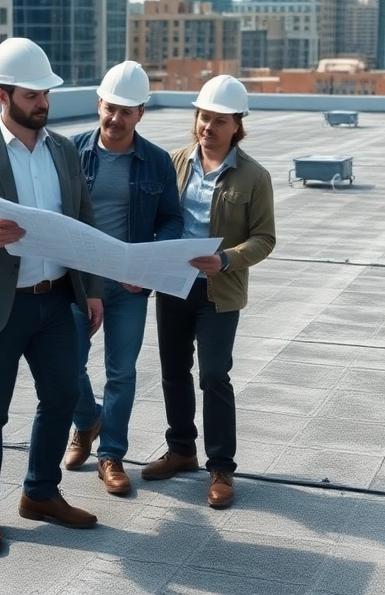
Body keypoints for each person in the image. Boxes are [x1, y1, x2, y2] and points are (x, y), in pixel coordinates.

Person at [0, 37, 104, 555]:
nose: (43, 103)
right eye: (32, 95)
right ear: (2, 96)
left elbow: (84, 223)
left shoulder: (64, 150)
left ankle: (40, 493)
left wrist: (92, 291)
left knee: (63, 397)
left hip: (57, 300)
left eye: (45, 94)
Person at [139, 75, 276, 510]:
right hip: (174, 286)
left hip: (219, 291)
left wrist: (228, 259)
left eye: (219, 120)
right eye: (203, 117)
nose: (208, 127)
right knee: (173, 371)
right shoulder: (173, 163)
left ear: (237, 125)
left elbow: (265, 238)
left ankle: (221, 468)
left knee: (214, 375)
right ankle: (181, 449)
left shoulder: (254, 176)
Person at [62, 61, 183, 495]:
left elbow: (171, 220)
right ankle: (86, 421)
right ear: (99, 104)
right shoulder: (70, 152)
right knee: (65, 366)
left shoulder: (156, 162)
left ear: (140, 114)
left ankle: (110, 455)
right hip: (78, 282)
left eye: (126, 111)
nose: (115, 118)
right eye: (110, 108)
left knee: (121, 373)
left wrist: (146, 265)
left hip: (129, 286)